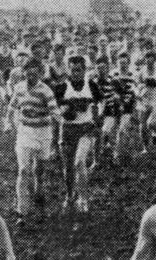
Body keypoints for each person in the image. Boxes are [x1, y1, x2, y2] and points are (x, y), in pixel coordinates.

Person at [8, 57, 61, 219]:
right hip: (25, 132)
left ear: (40, 73)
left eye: (35, 74)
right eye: (28, 73)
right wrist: (14, 127)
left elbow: (55, 114)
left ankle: (39, 198)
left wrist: (60, 133)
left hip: (43, 133)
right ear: (24, 73)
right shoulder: (19, 88)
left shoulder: (46, 91)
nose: (31, 77)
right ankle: (21, 210)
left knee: (39, 171)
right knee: (24, 170)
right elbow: (11, 110)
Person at [54, 55, 102, 212]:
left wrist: (97, 115)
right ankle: (69, 195)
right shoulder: (62, 87)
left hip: (85, 129)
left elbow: (101, 102)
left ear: (84, 70)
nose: (75, 73)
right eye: (73, 70)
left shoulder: (92, 86)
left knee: (79, 162)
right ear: (68, 70)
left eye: (79, 70)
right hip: (67, 129)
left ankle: (83, 199)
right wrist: (64, 111)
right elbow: (54, 109)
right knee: (68, 167)